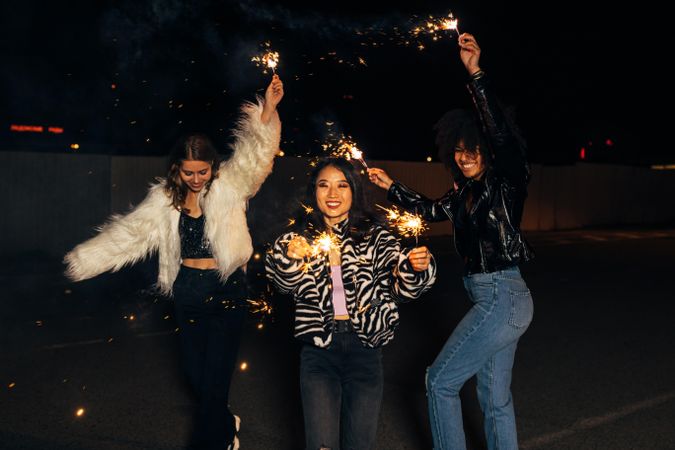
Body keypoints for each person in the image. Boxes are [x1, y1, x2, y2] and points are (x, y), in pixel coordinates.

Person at [64, 75, 284, 450]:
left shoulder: (231, 185)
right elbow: (131, 233)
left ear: (214, 167)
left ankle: (212, 439)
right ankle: (224, 421)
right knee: (198, 380)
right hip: (188, 292)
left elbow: (256, 156)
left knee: (215, 381)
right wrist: (85, 261)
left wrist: (268, 111)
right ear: (176, 171)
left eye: (204, 172)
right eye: (189, 173)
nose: (197, 180)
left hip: (228, 287)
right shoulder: (164, 201)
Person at [368, 33, 534, 450]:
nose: (464, 156)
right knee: (494, 400)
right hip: (498, 298)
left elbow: (500, 135)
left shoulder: (507, 180)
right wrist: (392, 186)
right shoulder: (464, 194)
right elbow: (429, 211)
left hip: (502, 295)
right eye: (457, 151)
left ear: (486, 150)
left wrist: (475, 73)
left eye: (472, 149)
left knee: (438, 382)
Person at [265, 157, 436, 450]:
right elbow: (281, 283)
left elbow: (403, 288)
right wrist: (290, 258)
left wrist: (415, 267)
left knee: (360, 444)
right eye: (324, 185)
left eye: (342, 185)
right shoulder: (298, 238)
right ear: (313, 191)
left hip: (365, 351)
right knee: (321, 445)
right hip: (318, 353)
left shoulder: (376, 237)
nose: (333, 194)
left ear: (354, 190)